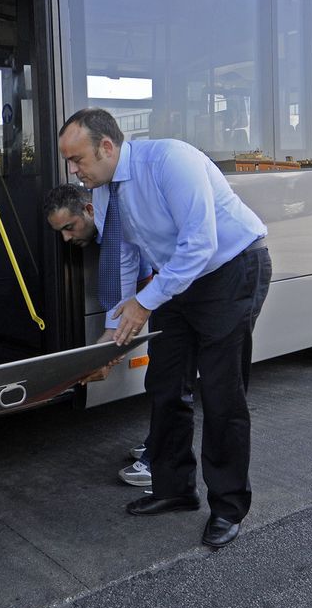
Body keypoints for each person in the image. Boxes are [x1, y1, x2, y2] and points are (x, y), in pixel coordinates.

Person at [58, 108, 271, 549]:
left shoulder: (172, 161)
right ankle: (174, 490)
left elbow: (201, 243)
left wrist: (144, 303)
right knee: (165, 385)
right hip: (176, 279)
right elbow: (124, 260)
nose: (74, 171)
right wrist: (110, 339)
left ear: (107, 146)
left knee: (220, 392)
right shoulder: (100, 191)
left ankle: (228, 507)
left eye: (77, 160)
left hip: (230, 269)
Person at [43, 183, 153, 486]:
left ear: (90, 210)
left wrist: (108, 353)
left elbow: (140, 291)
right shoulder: (108, 229)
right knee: (162, 378)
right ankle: (160, 439)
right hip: (164, 296)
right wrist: (106, 352)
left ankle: (161, 457)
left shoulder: (118, 227)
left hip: (185, 293)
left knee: (168, 378)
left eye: (69, 227)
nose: (66, 238)